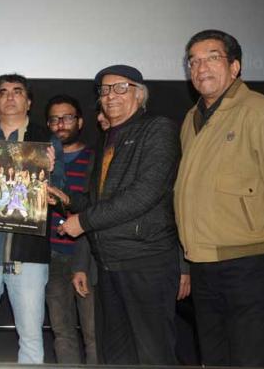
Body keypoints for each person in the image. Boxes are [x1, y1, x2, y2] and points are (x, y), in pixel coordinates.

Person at [175, 30, 264, 367]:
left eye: (212, 57)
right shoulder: (191, 119)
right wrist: (187, 261)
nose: (201, 67)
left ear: (235, 66)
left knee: (250, 359)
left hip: (248, 265)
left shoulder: (263, 112)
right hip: (203, 265)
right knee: (214, 358)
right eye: (193, 61)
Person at [58, 65, 181, 365]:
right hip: (109, 265)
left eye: (120, 88)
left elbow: (144, 194)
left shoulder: (158, 128)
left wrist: (82, 222)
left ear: (139, 94)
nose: (111, 96)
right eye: (104, 90)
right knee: (115, 355)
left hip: (145, 263)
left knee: (152, 355)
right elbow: (98, 201)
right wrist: (66, 199)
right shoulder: (108, 139)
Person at [0, 73, 63, 364]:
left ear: (28, 102)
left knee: (30, 334)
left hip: (27, 253)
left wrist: (50, 175)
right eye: (3, 92)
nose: (10, 96)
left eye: (17, 91)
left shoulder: (45, 139)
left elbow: (62, 192)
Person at [44, 94, 97, 364]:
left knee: (93, 333)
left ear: (80, 121)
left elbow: (97, 210)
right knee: (62, 332)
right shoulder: (40, 162)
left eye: (67, 118)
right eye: (54, 119)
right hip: (52, 256)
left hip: (87, 256)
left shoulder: (95, 159)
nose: (60, 124)